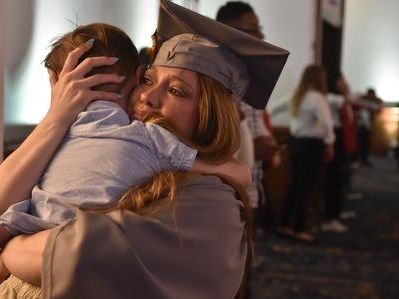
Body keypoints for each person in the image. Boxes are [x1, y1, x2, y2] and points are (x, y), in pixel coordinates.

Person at [0, 0, 288, 298]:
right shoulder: (111, 144)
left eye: (177, 90)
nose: (148, 96)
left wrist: (12, 249)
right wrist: (56, 118)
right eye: (148, 80)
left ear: (209, 115)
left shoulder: (211, 198)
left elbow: (84, 255)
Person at [216, 1, 283, 229]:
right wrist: (253, 146)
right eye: (254, 30)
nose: (262, 36)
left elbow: (257, 125)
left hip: (250, 190)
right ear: (230, 33)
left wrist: (267, 142)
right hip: (223, 195)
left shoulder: (249, 79)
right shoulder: (215, 80)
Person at [278, 65, 335, 242]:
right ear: (320, 79)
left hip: (295, 144)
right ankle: (299, 228)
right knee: (306, 188)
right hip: (311, 146)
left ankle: (284, 224)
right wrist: (330, 143)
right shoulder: (317, 98)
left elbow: (272, 108)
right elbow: (326, 123)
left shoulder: (297, 96)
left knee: (294, 185)